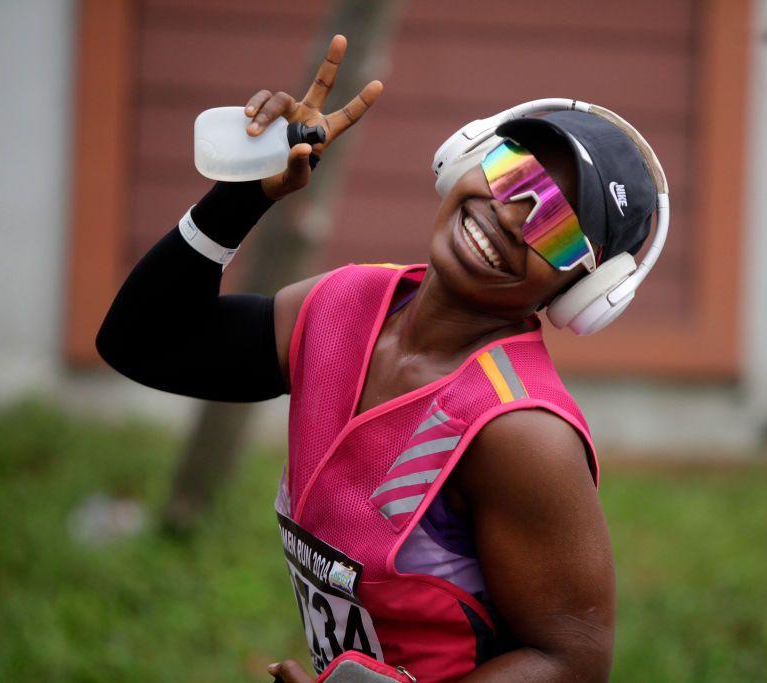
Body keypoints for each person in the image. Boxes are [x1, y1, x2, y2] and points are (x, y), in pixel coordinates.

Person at [97, 34, 660, 682]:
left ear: (579, 292)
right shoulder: (343, 308)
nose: (511, 215)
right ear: (471, 158)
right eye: (515, 172)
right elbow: (141, 340)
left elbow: (574, 661)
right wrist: (243, 193)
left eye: (557, 226)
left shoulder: (520, 433)